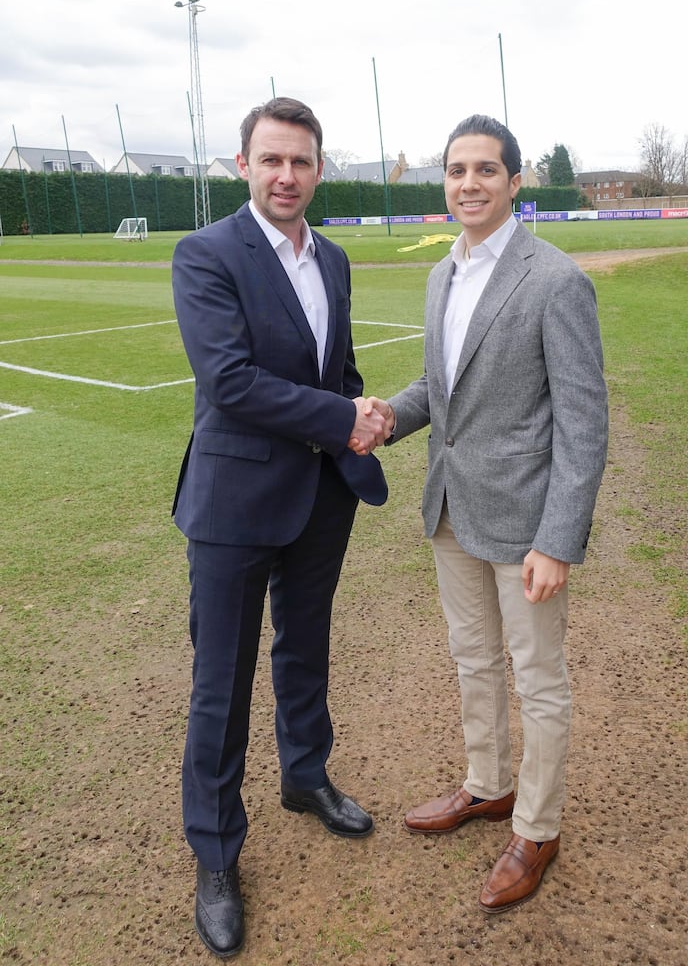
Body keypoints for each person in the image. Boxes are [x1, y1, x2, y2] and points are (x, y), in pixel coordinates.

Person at [359, 114, 608, 914]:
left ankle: (537, 829)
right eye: (457, 170)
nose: (469, 184)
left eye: (485, 171)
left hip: (526, 524)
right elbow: (442, 390)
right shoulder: (443, 275)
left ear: (514, 180)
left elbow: (583, 423)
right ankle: (487, 788)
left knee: (538, 681)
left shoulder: (556, 280)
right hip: (450, 511)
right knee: (473, 662)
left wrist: (558, 540)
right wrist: (389, 418)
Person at [172, 96, 389, 958]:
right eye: (271, 161)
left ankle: (306, 779)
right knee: (219, 686)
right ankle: (217, 853)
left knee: (307, 648)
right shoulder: (206, 253)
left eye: (301, 162)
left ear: (319, 168)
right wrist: (344, 418)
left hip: (318, 496)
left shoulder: (331, 258)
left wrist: (361, 407)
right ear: (243, 167)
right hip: (232, 505)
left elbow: (332, 366)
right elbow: (230, 381)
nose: (286, 176)